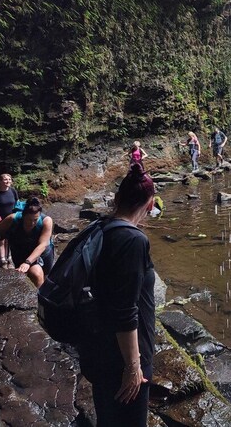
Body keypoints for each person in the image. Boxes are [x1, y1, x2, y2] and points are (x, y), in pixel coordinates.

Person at [76, 164, 156, 427]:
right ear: (150, 204)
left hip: (99, 347)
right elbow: (125, 311)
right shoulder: (133, 240)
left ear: (117, 198)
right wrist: (133, 367)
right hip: (120, 358)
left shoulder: (102, 227)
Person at [0, 197, 53, 281]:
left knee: (42, 277)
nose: (32, 223)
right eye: (29, 220)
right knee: (30, 274)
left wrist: (28, 262)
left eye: (35, 220)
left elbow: (43, 244)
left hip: (42, 252)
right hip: (20, 250)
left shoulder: (46, 221)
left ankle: (41, 293)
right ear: (23, 215)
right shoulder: (12, 219)